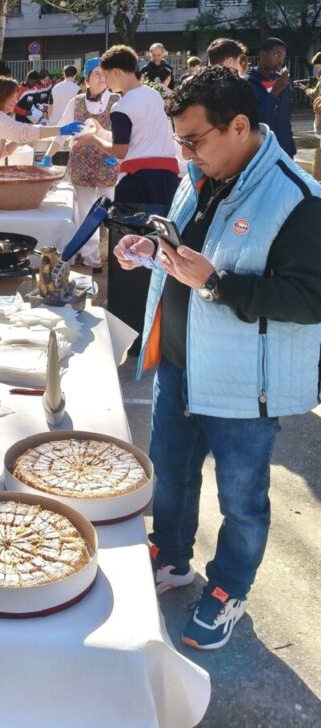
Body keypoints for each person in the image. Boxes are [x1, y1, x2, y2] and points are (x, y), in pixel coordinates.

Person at [114, 67, 321, 650]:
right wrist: (151, 249)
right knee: (170, 474)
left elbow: (310, 298)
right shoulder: (198, 174)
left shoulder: (298, 198)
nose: (185, 153)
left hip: (243, 385)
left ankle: (229, 588)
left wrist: (218, 285)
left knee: (242, 501)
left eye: (194, 139)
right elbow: (186, 248)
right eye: (179, 140)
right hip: (180, 362)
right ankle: (171, 556)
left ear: (239, 126)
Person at [45, 58, 120, 271]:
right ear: (86, 78)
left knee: (110, 211)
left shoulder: (117, 101)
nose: (101, 77)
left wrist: (118, 154)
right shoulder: (76, 102)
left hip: (108, 162)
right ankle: (91, 258)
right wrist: (48, 156)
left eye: (104, 73)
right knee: (85, 212)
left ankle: (115, 258)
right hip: (81, 164)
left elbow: (124, 135)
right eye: (96, 73)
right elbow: (61, 133)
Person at [83, 45, 179, 207]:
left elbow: (120, 151)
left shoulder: (121, 106)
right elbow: (141, 137)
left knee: (129, 224)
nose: (105, 81)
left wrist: (93, 139)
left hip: (136, 180)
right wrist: (102, 132)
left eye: (106, 75)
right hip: (168, 177)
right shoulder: (155, 95)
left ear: (116, 72)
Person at [0, 76, 80, 169]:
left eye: (16, 96)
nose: (16, 101)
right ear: (0, 96)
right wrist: (61, 130)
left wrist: (20, 139)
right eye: (12, 96)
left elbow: (4, 152)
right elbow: (24, 132)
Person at [244, 37, 295, 157]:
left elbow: (286, 117)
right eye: (277, 55)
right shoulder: (248, 83)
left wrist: (291, 147)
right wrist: (275, 92)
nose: (280, 61)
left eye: (283, 57)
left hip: (284, 150)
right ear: (263, 55)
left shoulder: (281, 81)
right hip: (261, 151)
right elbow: (257, 118)